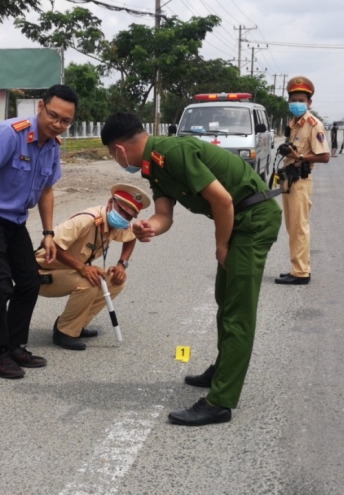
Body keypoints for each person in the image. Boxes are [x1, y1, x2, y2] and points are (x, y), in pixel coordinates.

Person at [100, 112, 282, 427]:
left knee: (238, 311)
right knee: (224, 299)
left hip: (252, 220)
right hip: (239, 221)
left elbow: (223, 201)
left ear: (118, 149)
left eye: (111, 156)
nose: (116, 161)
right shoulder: (154, 166)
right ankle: (223, 369)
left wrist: (221, 247)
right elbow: (164, 215)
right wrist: (148, 228)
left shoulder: (173, 152)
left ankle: (220, 402)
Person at [0, 84, 78, 379]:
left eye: (65, 121)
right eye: (53, 116)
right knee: (1, 286)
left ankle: (15, 346)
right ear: (41, 106)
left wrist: (49, 233)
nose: (57, 124)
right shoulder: (10, 132)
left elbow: (47, 190)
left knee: (29, 282)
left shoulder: (52, 146)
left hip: (15, 222)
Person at [35, 184, 150, 351]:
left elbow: (132, 235)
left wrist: (121, 264)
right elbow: (49, 244)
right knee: (90, 282)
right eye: (122, 211)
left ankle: (76, 325)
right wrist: (82, 268)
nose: (124, 217)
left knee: (115, 281)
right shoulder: (87, 220)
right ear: (111, 202)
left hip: (68, 270)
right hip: (41, 273)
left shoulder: (115, 223)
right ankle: (63, 332)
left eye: (129, 216)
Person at [275, 76, 331, 286]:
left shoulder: (314, 125)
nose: (296, 103)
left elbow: (324, 156)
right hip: (290, 179)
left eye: (301, 100)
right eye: (293, 99)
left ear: (309, 103)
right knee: (292, 227)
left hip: (300, 180)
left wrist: (299, 157)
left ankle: (301, 273)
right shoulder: (293, 123)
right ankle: (298, 267)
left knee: (299, 227)